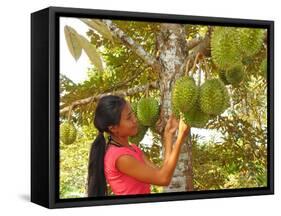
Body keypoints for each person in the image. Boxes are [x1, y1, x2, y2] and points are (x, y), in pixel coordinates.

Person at [87, 95, 190, 197]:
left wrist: (168, 135)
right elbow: (163, 179)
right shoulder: (120, 157)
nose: (135, 120)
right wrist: (180, 137)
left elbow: (161, 172)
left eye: (133, 114)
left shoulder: (132, 149)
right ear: (113, 128)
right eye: (129, 118)